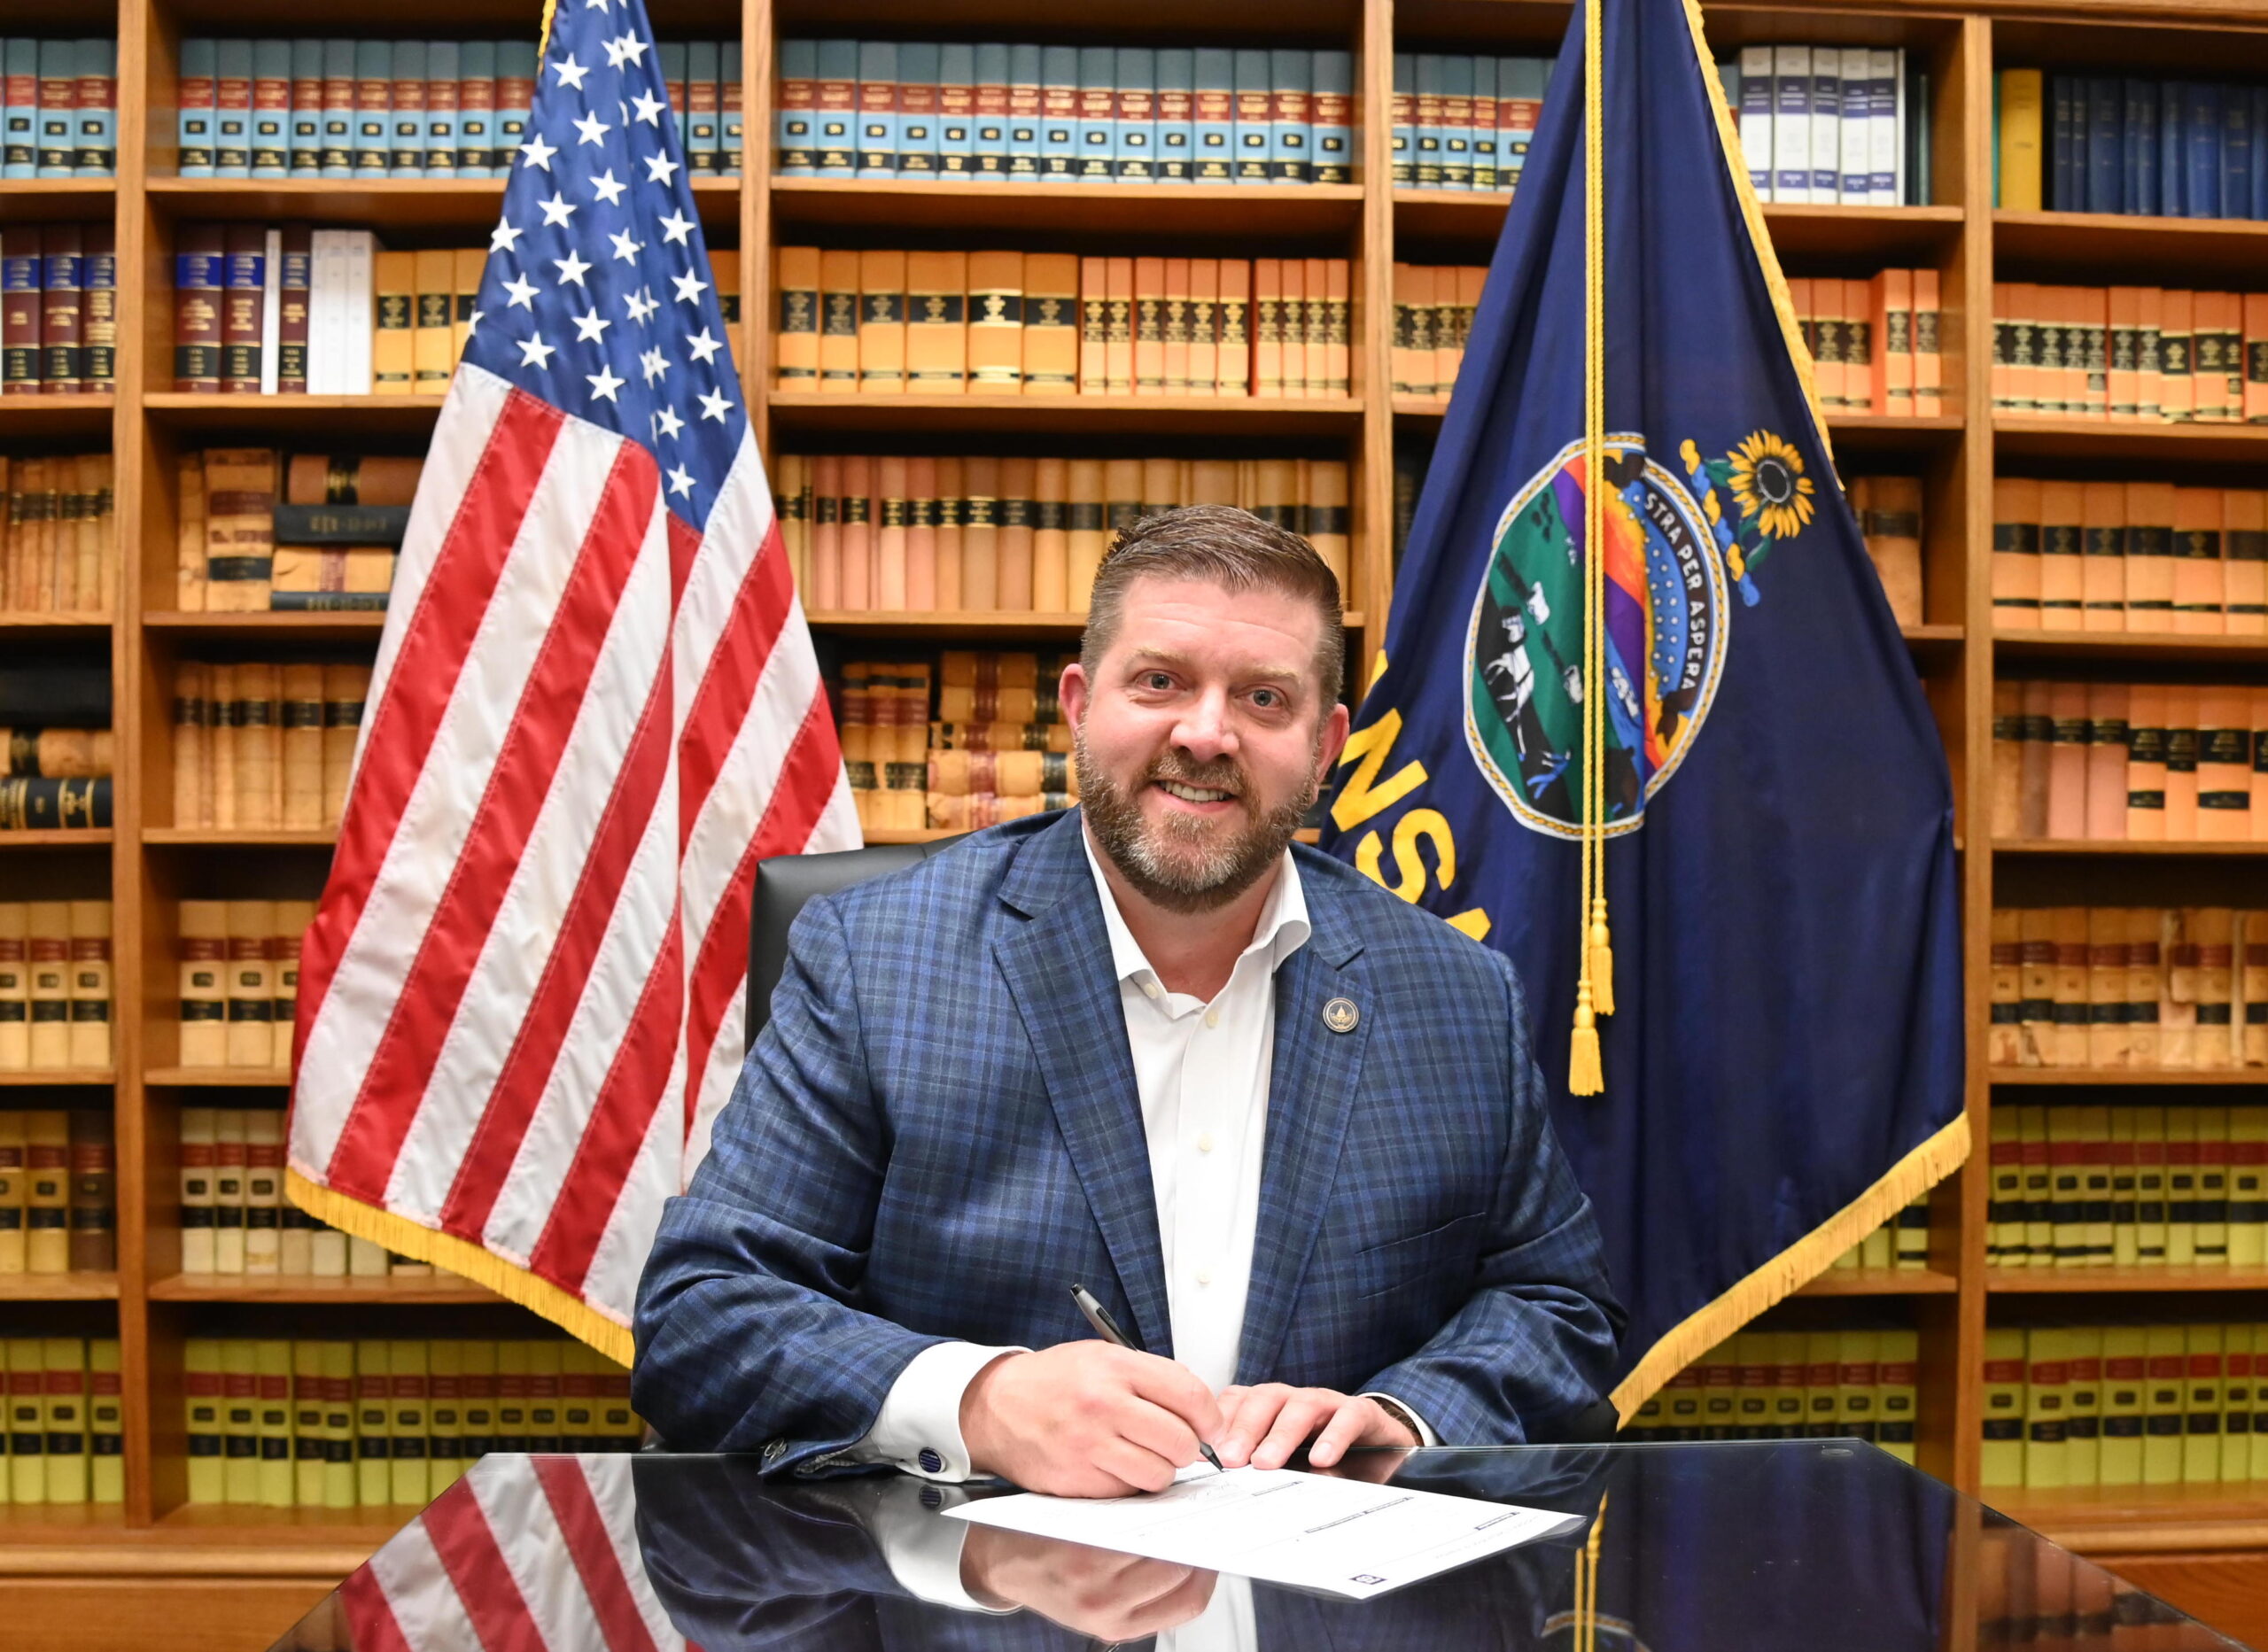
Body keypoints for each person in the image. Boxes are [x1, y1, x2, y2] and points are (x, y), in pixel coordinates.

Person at [633, 505, 1621, 1500]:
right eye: (1160, 681)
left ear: (1324, 745)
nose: (1205, 733)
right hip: (982, 1606)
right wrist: (978, 1401)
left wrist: (1408, 1412)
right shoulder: (878, 960)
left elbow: (1556, 1304)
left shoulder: (1453, 991)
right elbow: (704, 1315)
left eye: (1264, 699)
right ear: (1077, 703)